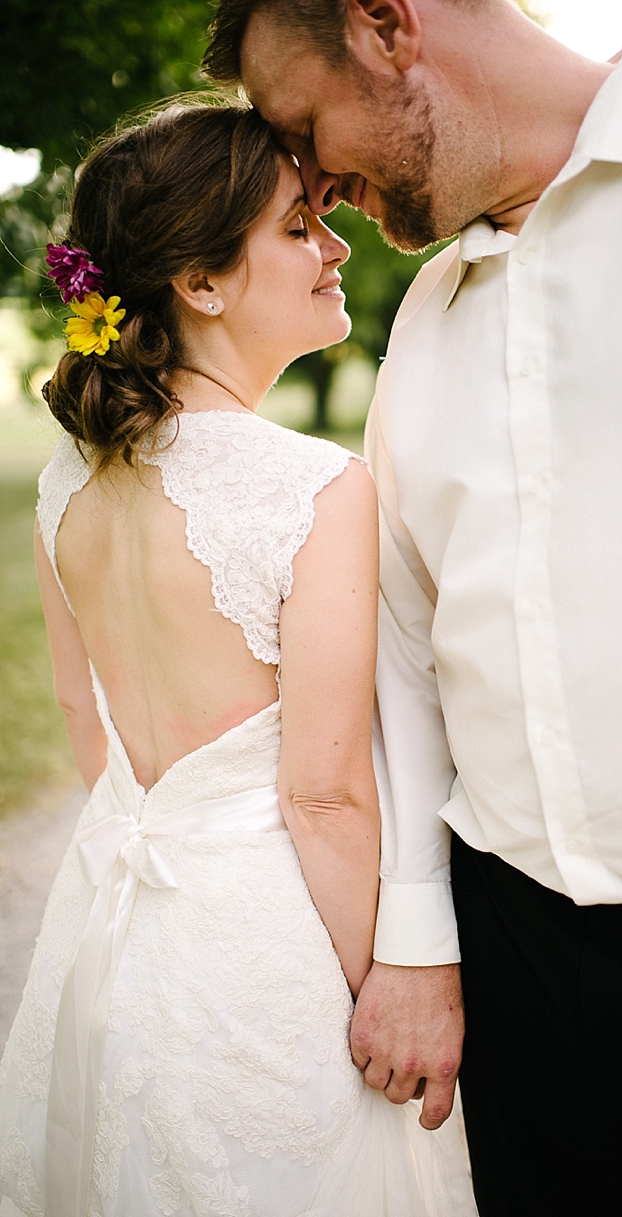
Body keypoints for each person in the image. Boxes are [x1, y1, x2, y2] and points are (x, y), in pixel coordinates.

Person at [201, 2, 622, 1211]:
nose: (309, 185)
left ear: (385, 26)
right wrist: (421, 938)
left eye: (300, 124)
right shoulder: (426, 320)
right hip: (519, 960)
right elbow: (410, 648)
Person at [0, 100, 473, 1215]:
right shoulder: (310, 486)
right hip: (268, 959)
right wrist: (382, 982)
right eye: (300, 225)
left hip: (120, 931)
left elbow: (86, 723)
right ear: (201, 284)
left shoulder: (61, 487)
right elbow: (323, 794)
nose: (336, 245)